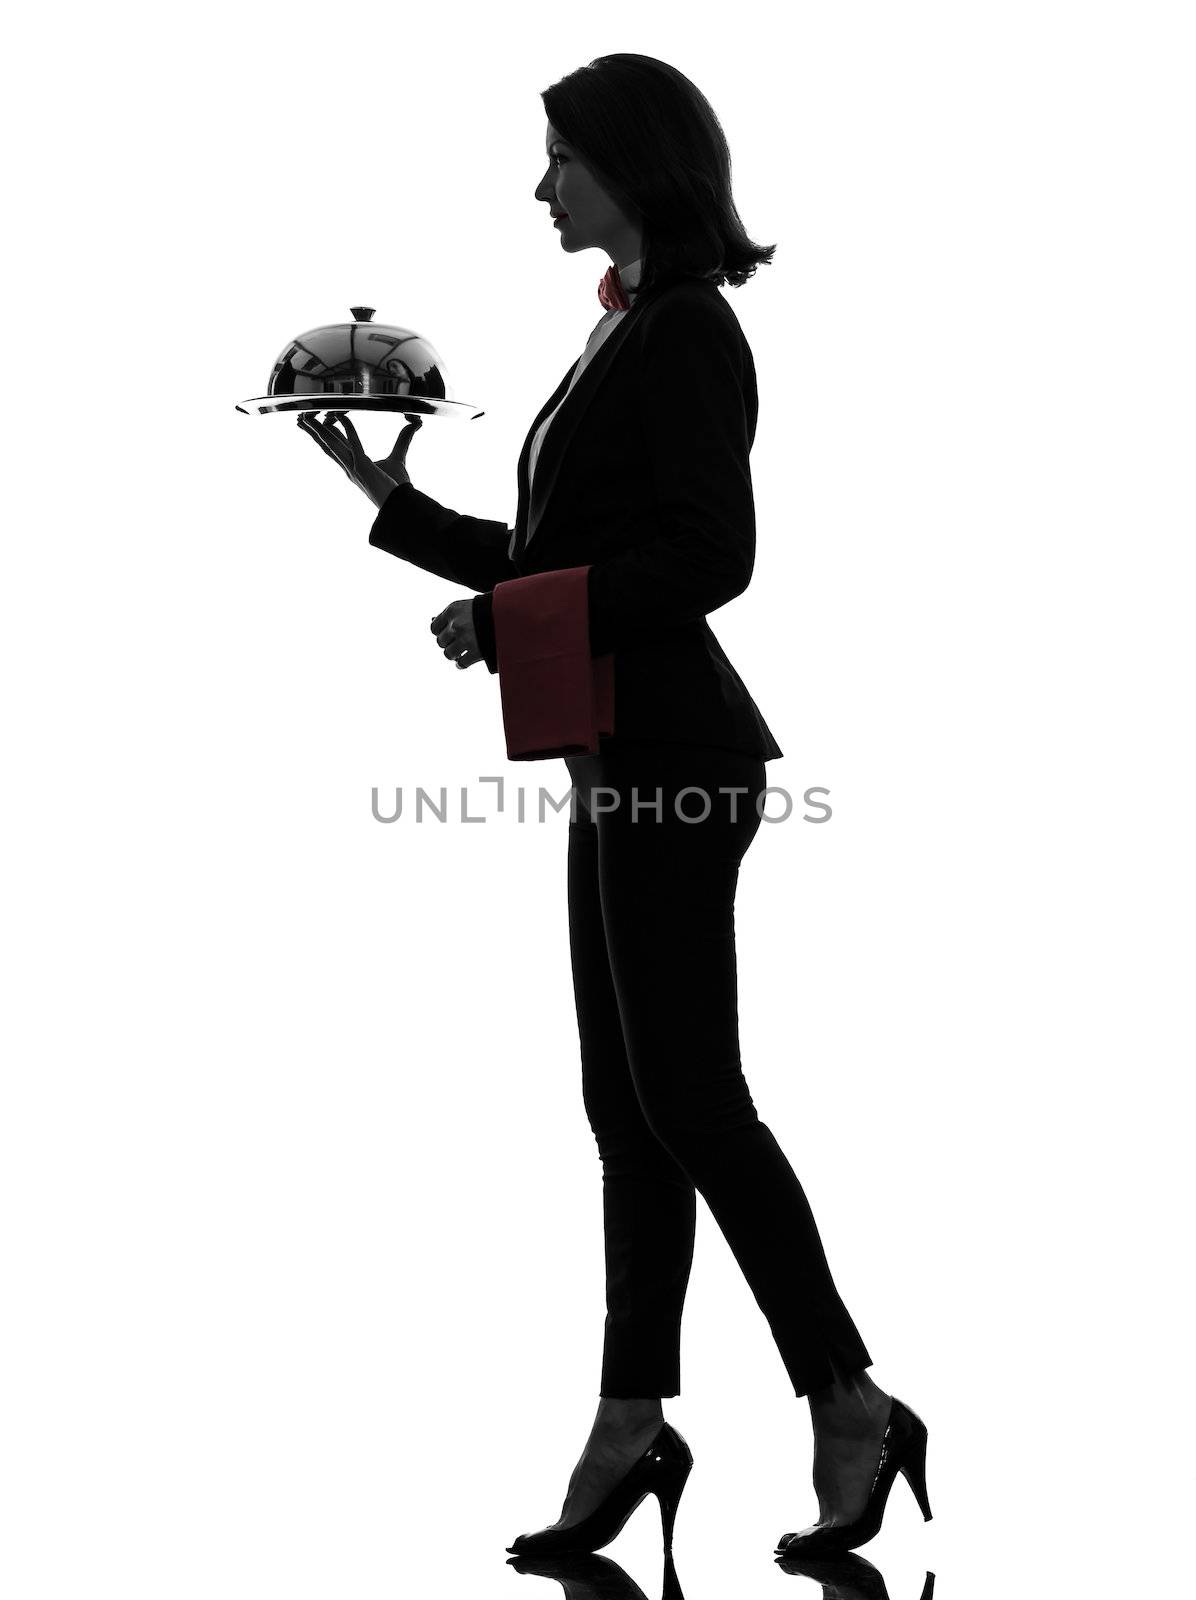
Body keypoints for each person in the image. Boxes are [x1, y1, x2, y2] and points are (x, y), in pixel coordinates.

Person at [298, 52, 931, 1561]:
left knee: (692, 1101)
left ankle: (847, 1398)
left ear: (634, 165)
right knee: (632, 1116)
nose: (541, 187)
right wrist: (389, 505)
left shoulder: (691, 332)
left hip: (682, 764)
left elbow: (715, 558)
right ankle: (636, 1420)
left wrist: (521, 621)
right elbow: (556, 553)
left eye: (559, 159)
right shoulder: (631, 327)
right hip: (616, 763)